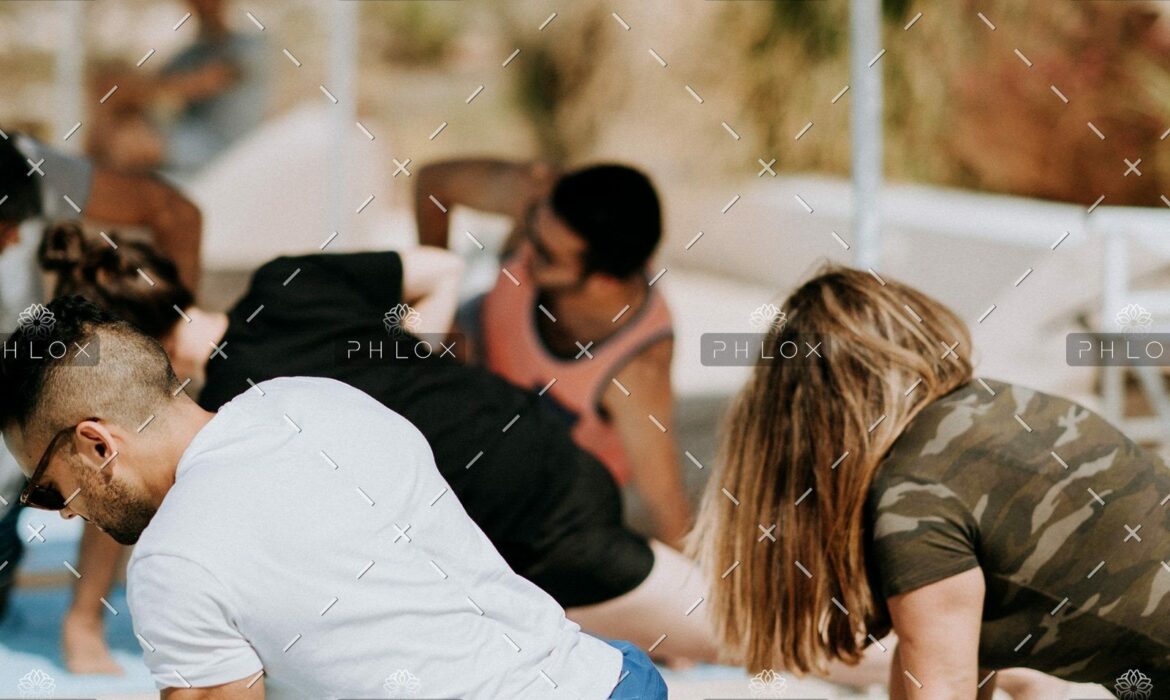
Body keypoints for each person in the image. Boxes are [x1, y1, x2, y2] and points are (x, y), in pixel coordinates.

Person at [31, 223, 724, 667]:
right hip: (544, 451)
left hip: (531, 533)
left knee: (741, 635)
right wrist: (408, 362)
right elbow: (440, 270)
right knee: (701, 626)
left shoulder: (228, 422)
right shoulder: (285, 282)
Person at [0, 297, 667, 699]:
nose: (62, 512)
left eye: (45, 488)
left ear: (96, 444)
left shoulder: (174, 561)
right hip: (608, 676)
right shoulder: (312, 398)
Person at [690, 264, 1168, 697]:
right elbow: (949, 654)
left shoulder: (912, 495)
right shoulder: (993, 408)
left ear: (803, 427)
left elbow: (944, 686)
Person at [0, 132, 202, 674]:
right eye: (3, 229)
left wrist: (167, 341)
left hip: (36, 407)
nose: (17, 239)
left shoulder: (26, 166)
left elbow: (175, 212)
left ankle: (83, 619)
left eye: (17, 221)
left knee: (106, 446)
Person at [416, 159, 692, 548]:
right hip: (473, 372)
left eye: (546, 255)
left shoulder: (637, 370)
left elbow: (670, 514)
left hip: (543, 488)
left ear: (603, 282)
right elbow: (433, 184)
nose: (526, 253)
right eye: (531, 227)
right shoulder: (544, 200)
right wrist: (439, 285)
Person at [88, 0, 268, 176]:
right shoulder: (190, 54)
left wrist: (134, 89)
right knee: (117, 129)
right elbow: (155, 84)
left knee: (129, 141)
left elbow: (204, 82)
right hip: (187, 140)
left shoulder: (251, 45)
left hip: (226, 148)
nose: (203, 4)